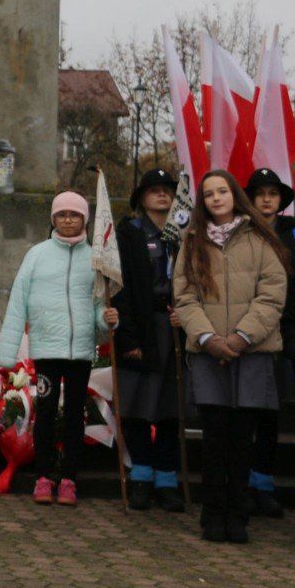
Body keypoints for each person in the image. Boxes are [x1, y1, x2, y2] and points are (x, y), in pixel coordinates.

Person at [173, 169, 288, 544]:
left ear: (235, 195)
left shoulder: (260, 239)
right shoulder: (191, 242)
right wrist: (209, 339)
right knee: (215, 436)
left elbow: (272, 295)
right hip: (209, 354)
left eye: (223, 191)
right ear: (202, 203)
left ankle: (238, 514)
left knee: (242, 437)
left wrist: (240, 338)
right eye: (209, 194)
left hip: (250, 353)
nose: (216, 198)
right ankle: (213, 513)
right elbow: (185, 296)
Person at [0, 191, 116, 507]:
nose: (67, 220)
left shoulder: (96, 260)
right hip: (47, 349)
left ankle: (69, 479)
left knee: (76, 415)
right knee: (46, 413)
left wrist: (106, 322)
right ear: (52, 219)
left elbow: (97, 310)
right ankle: (44, 476)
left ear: (85, 221)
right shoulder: (36, 255)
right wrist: (7, 352)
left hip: (80, 352)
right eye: (61, 214)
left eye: (74, 215)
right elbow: (18, 300)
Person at [113, 167, 185, 512]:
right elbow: (118, 289)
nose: (162, 195)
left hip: (174, 326)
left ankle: (167, 476)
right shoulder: (129, 233)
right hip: (140, 325)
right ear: (141, 197)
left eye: (168, 191)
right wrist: (127, 337)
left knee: (170, 407)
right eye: (154, 190)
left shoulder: (184, 234)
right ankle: (140, 474)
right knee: (138, 404)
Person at [243, 166, 295, 518]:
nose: (267, 199)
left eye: (273, 194)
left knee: (270, 414)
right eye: (261, 193)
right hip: (246, 330)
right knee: (245, 413)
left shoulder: (293, 234)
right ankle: (240, 483)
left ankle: (262, 484)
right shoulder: (240, 231)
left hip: (281, 334)